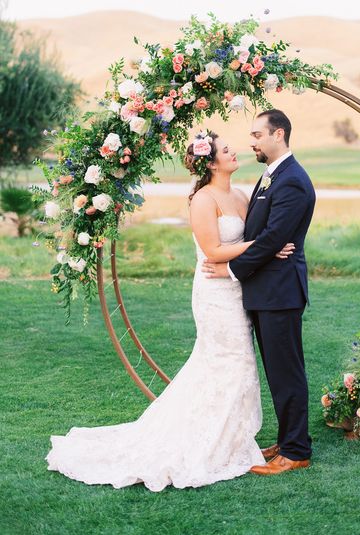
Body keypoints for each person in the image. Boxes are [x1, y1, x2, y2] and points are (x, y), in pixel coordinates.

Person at [45, 130, 294, 492]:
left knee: (234, 363)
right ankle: (210, 441)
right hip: (214, 292)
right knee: (231, 361)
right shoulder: (203, 200)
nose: (234, 151)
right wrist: (267, 247)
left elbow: (252, 239)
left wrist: (266, 248)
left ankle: (229, 435)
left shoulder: (240, 194)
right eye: (226, 149)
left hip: (240, 288)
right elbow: (213, 251)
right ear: (210, 162)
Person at [202, 109, 316, 475]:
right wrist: (267, 243)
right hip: (267, 291)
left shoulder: (292, 180)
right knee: (277, 372)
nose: (251, 142)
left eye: (256, 135)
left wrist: (231, 268)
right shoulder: (272, 177)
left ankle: (296, 451)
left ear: (278, 134)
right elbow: (265, 236)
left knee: (287, 373)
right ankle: (286, 440)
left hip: (280, 293)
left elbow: (271, 238)